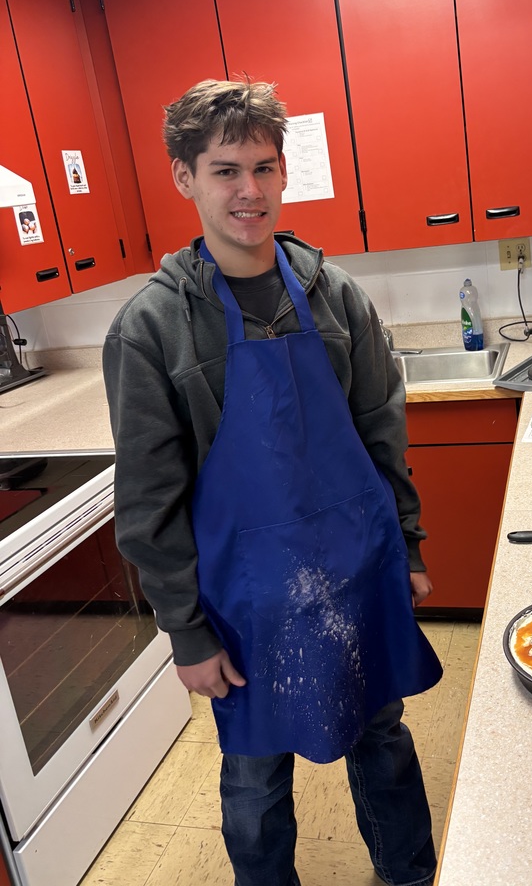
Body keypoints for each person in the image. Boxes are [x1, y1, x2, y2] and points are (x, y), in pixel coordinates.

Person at [102, 78, 443, 886]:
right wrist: (186, 630)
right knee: (255, 776)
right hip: (244, 599)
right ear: (184, 176)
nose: (248, 192)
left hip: (356, 571)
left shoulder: (335, 295)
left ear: (285, 172)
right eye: (224, 170)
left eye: (263, 167)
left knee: (382, 739)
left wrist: (410, 547)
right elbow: (150, 502)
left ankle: (411, 874)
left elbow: (378, 435)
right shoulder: (150, 327)